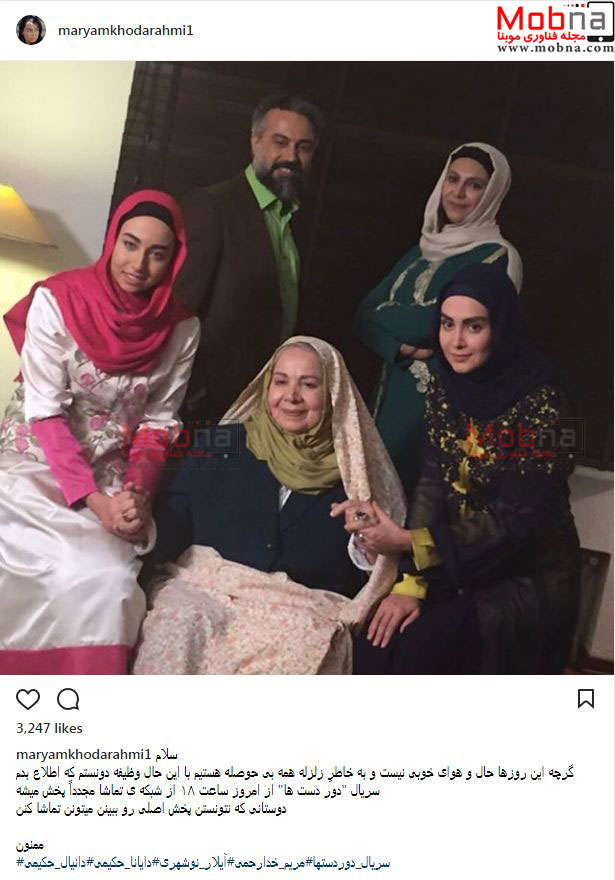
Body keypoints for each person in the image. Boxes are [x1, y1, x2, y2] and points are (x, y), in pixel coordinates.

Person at [339, 263, 580, 675]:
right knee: (374, 644)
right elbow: (432, 485)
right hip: (453, 561)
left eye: (474, 327)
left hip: (523, 578)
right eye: (447, 324)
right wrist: (411, 582)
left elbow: (515, 520)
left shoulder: (549, 402)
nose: (456, 342)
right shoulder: (445, 386)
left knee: (418, 649)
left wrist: (409, 542)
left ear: (500, 328)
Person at [0, 190, 200, 674]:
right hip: (35, 465)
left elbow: (158, 423)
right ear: (112, 241)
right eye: (130, 245)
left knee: (109, 582)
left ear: (174, 260)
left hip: (113, 478)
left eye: (157, 253)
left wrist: (137, 494)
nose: (139, 265)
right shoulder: (57, 300)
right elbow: (45, 414)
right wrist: (96, 502)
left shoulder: (182, 328)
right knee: (32, 565)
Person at [132, 338, 406, 675]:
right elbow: (176, 518)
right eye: (281, 381)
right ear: (266, 387)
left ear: (332, 394)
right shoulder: (223, 444)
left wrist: (366, 543)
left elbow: (365, 571)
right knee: (178, 624)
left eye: (308, 384)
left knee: (299, 643)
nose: (291, 396)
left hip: (295, 608)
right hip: (206, 589)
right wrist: (141, 525)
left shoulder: (355, 471)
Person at [354, 142, 523, 492]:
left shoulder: (496, 257)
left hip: (440, 417)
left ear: (492, 194)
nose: (458, 193)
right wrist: (399, 347)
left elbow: (432, 322)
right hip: (387, 405)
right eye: (453, 179)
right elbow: (364, 316)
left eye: (474, 185)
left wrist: (393, 316)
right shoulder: (419, 252)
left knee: (422, 513)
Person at [174, 94, 323, 421]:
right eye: (280, 142)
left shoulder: (299, 221)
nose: (291, 157)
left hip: (266, 407)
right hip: (205, 406)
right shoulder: (212, 207)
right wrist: (191, 395)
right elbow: (179, 310)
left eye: (303, 147)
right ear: (255, 142)